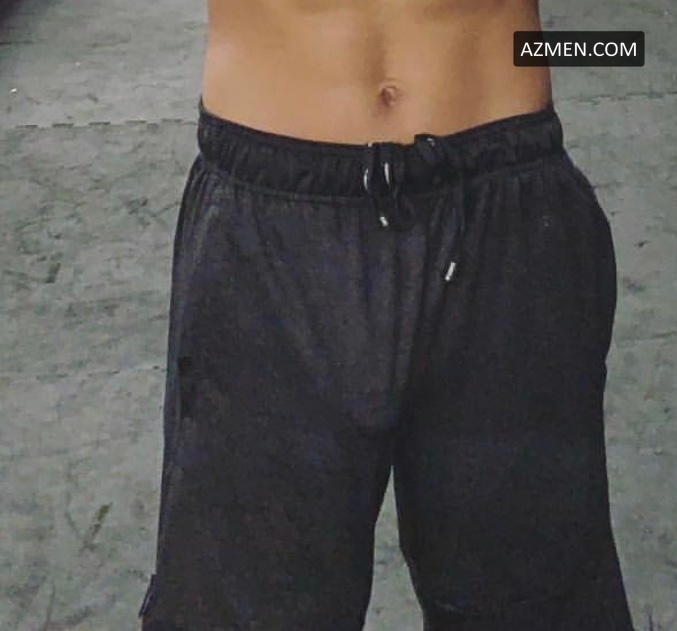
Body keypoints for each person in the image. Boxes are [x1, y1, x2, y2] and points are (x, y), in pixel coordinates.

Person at [139, 0, 635, 629]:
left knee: (533, 595)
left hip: (504, 195)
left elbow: (616, 43)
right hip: (272, 216)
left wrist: (541, 46)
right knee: (247, 598)